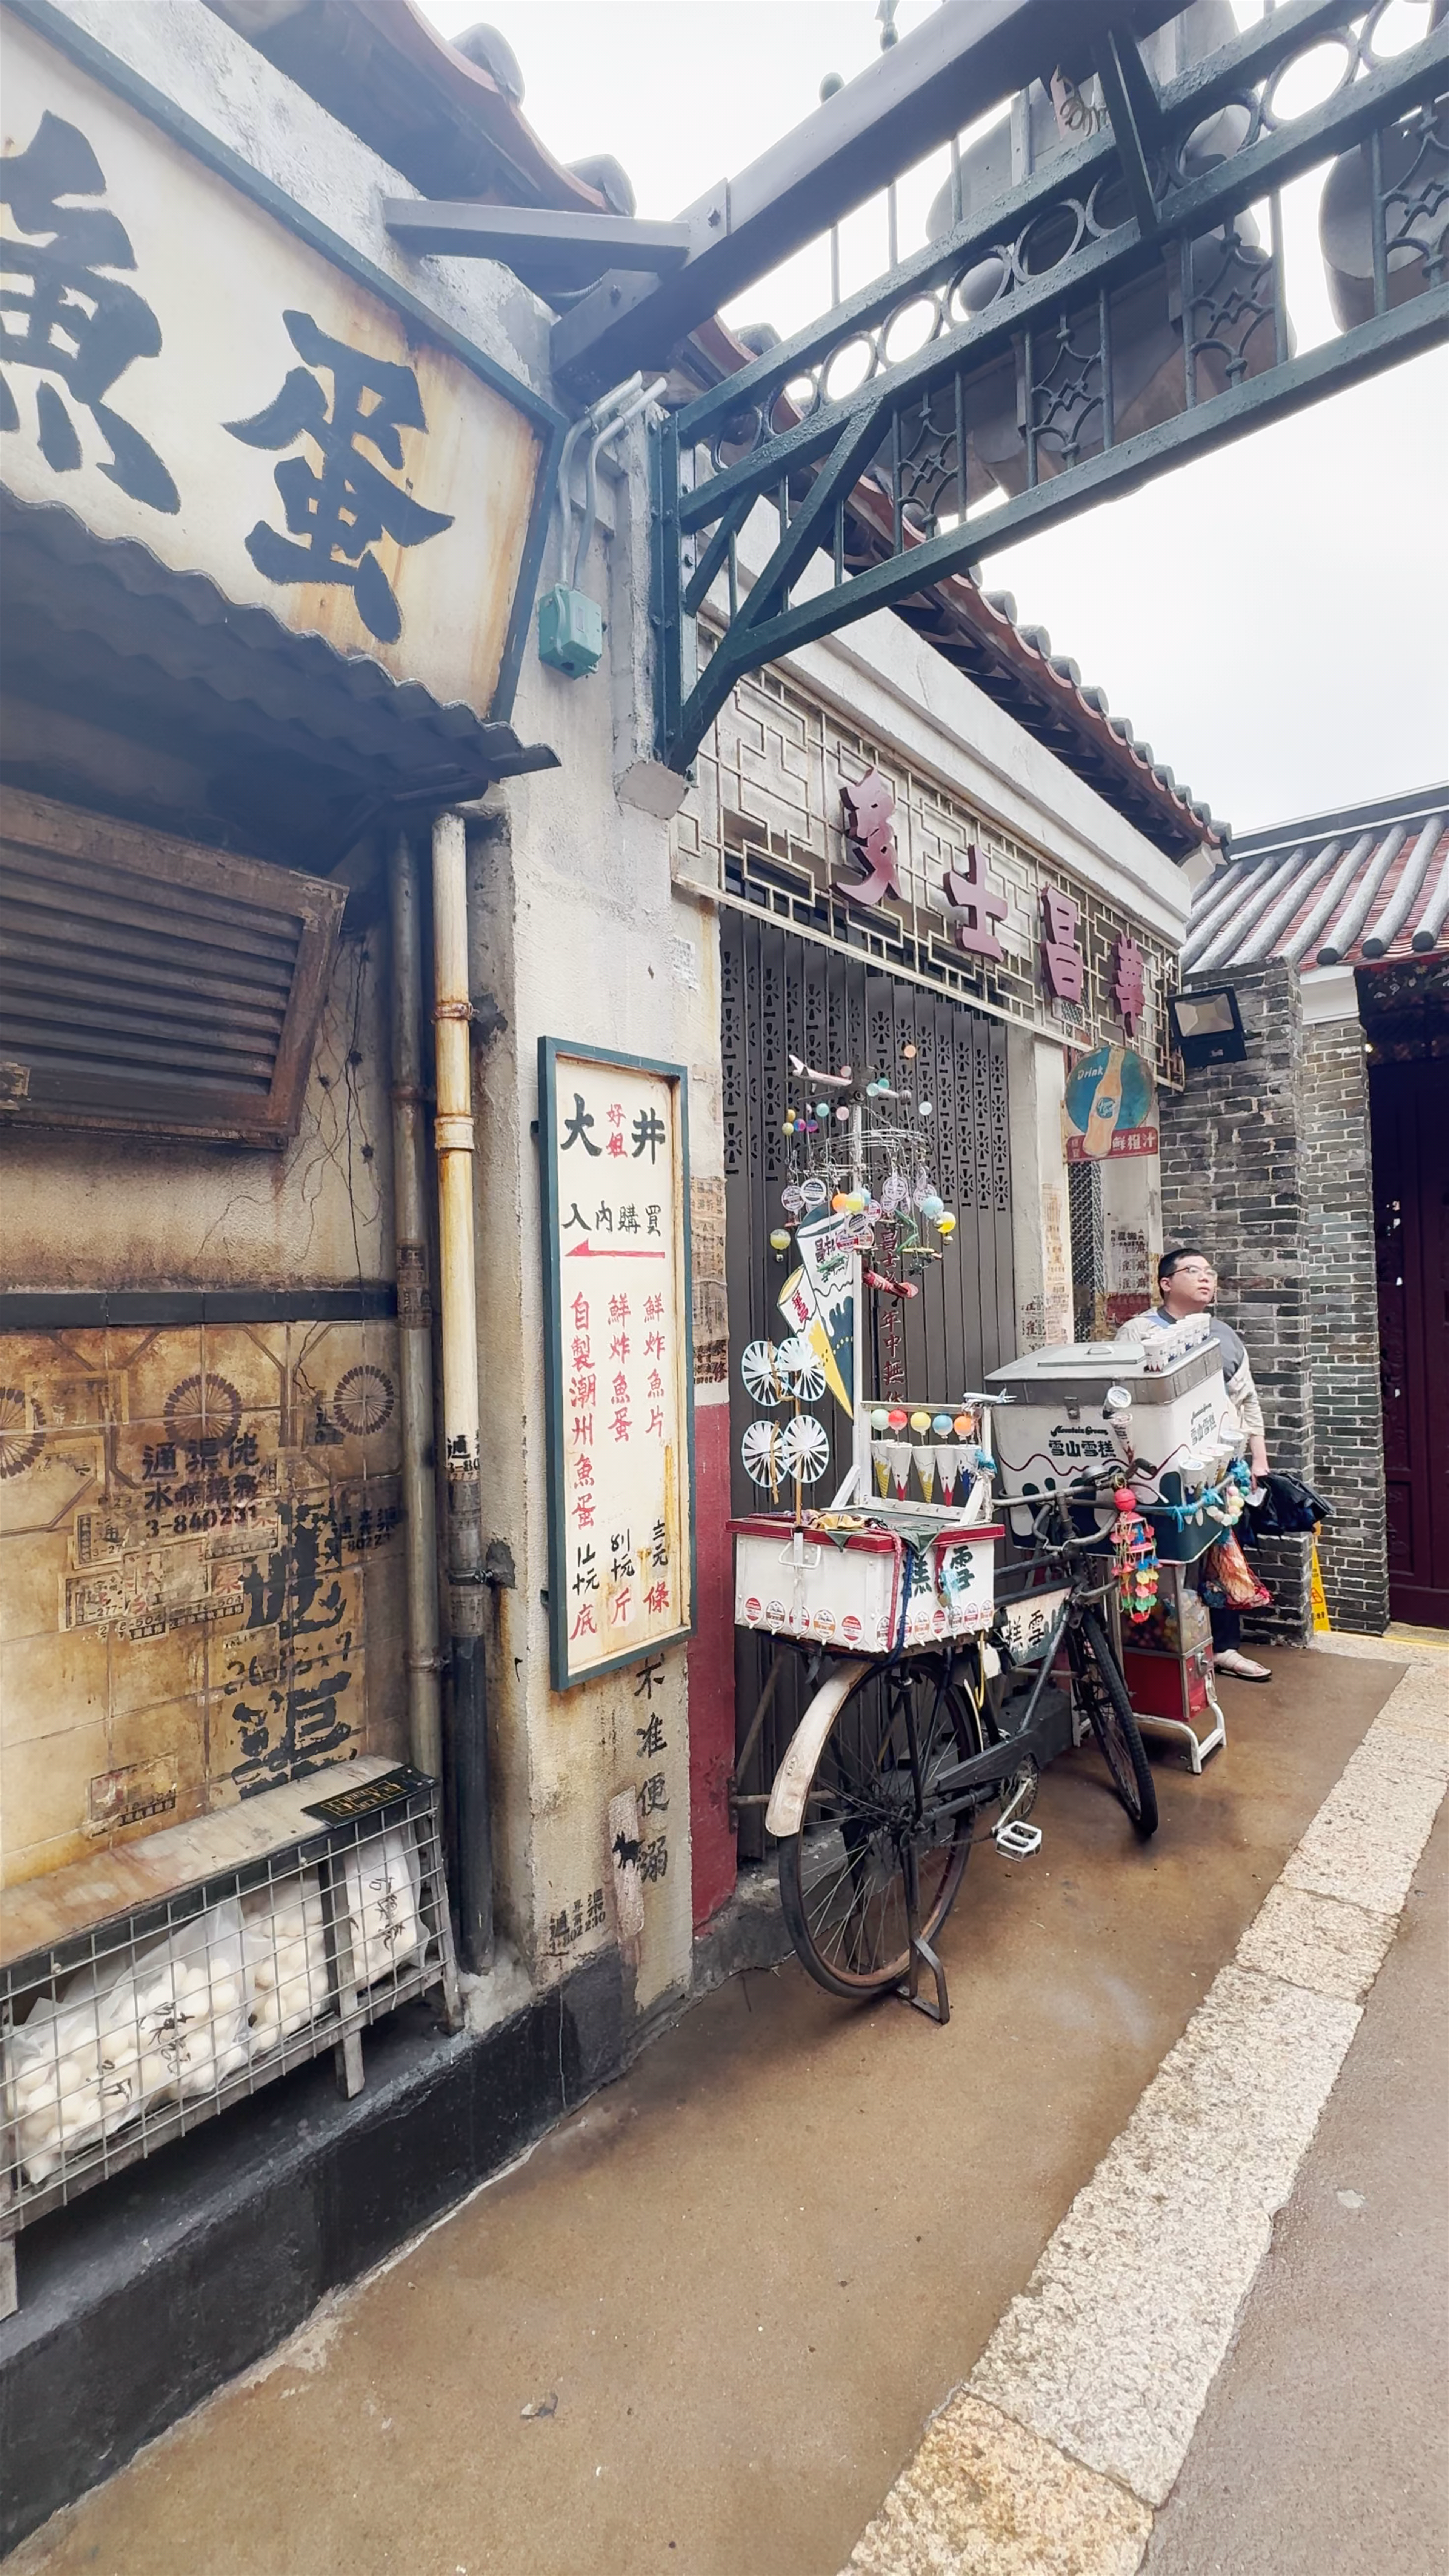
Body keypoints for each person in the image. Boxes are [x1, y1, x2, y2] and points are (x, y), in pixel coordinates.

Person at [1116, 1247, 1272, 1683]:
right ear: (1166, 1283)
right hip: (1162, 1472)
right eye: (1193, 1271)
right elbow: (1122, 1395)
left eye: (1209, 1272)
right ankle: (1165, 1655)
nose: (1206, 1278)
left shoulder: (1224, 1335)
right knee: (1164, 1559)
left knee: (1220, 1554)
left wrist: (1259, 1457)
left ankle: (1224, 1648)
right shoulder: (1140, 1332)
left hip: (1220, 1468)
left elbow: (1247, 1399)